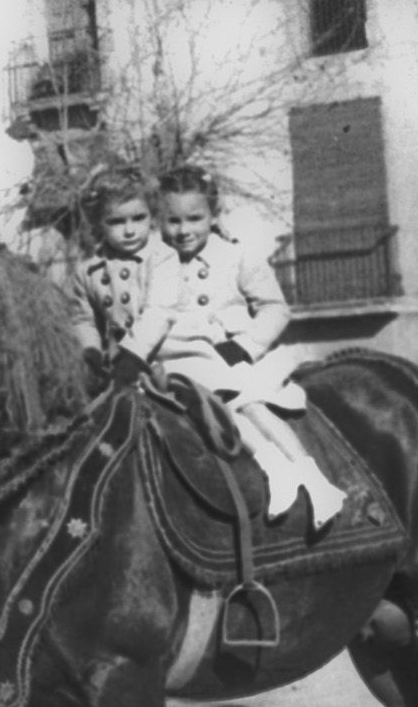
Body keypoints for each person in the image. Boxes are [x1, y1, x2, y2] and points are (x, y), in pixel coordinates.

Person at [118, 165, 345, 527]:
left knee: (246, 404)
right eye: (173, 221)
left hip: (231, 354)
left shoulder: (235, 256)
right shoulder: (154, 260)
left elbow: (275, 308)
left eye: (195, 218)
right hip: (180, 360)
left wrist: (245, 345)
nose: (183, 231)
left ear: (213, 215)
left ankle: (305, 479)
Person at [67, 166, 170, 366]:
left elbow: (159, 313)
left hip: (169, 354)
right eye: (116, 222)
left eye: (139, 218)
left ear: (152, 215)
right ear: (97, 222)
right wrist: (91, 351)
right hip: (119, 357)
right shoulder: (88, 269)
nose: (130, 230)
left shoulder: (163, 257)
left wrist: (132, 356)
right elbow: (84, 319)